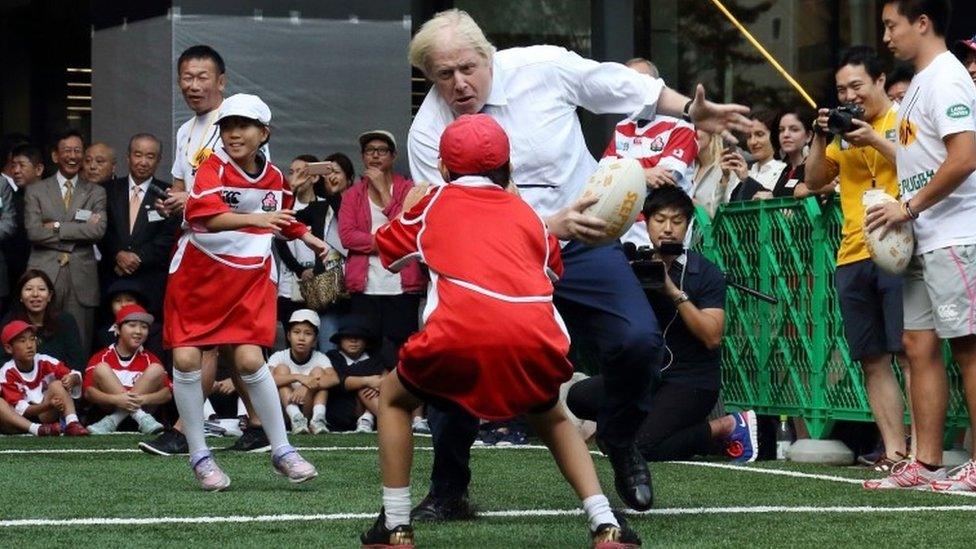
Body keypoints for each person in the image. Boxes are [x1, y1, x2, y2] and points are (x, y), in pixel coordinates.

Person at [405, 8, 750, 518]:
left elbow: (615, 84)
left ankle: (621, 438)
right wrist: (544, 227)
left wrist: (686, 110)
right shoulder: (427, 132)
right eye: (443, 75)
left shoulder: (541, 68)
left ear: (488, 56)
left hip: (584, 244)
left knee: (638, 341)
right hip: (497, 263)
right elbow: (453, 223)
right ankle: (449, 487)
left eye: (468, 68)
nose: (459, 84)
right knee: (455, 359)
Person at [361, 113, 639, 548]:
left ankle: (395, 526)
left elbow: (387, 250)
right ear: (509, 170)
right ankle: (606, 523)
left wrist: (409, 203)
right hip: (536, 337)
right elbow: (552, 269)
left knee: (394, 397)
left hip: (458, 333)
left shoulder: (431, 202)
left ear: (445, 168)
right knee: (551, 416)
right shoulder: (528, 213)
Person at [163, 93, 325, 491]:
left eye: (244, 126)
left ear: (263, 133)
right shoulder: (210, 167)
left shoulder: (272, 177)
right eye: (228, 126)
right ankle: (200, 456)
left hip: (248, 277)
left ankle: (282, 449)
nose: (234, 134)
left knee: (251, 360)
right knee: (186, 359)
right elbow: (205, 215)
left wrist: (309, 237)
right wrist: (258, 218)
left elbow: (282, 217)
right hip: (198, 275)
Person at [864, 0, 976, 491]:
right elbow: (923, 157)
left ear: (922, 23)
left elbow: (965, 158)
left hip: (955, 233)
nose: (886, 36)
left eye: (892, 25)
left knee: (970, 350)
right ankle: (925, 462)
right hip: (923, 236)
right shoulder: (917, 86)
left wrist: (907, 208)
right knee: (917, 345)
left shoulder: (949, 77)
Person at [567, 186, 758, 462]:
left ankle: (726, 426)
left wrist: (672, 291)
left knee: (643, 448)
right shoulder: (633, 264)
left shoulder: (704, 272)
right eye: (660, 220)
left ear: (688, 225)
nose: (668, 229)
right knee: (578, 398)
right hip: (645, 377)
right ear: (646, 222)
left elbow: (712, 336)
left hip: (691, 381)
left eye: (677, 221)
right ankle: (645, 424)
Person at [806, 46, 909, 471]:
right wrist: (820, 133)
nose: (849, 96)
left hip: (901, 249)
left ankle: (922, 455)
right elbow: (813, 180)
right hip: (852, 252)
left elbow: (927, 164)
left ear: (880, 81)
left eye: (857, 86)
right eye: (841, 89)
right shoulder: (842, 133)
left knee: (910, 353)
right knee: (871, 357)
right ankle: (894, 452)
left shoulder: (902, 120)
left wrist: (873, 139)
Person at [338, 130, 425, 366]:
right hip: (365, 287)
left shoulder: (409, 190)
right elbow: (347, 236)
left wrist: (383, 191)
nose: (375, 156)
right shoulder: (353, 195)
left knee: (403, 350)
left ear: (393, 156)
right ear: (363, 156)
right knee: (366, 351)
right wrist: (390, 243)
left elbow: (410, 230)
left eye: (382, 150)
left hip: (402, 287)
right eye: (369, 151)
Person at [24, 129, 107, 354]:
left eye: (77, 151)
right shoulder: (36, 191)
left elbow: (98, 230)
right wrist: (80, 232)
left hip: (81, 277)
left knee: (79, 341)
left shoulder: (96, 192)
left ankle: (76, 387)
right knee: (38, 339)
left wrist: (58, 226)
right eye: (67, 150)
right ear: (55, 156)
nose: (73, 156)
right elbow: (34, 232)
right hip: (44, 273)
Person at [603, 58, 698, 247]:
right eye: (627, 84)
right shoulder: (621, 127)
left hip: (665, 239)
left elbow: (663, 180)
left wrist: (622, 175)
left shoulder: (680, 126)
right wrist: (643, 174)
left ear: (655, 88)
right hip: (621, 234)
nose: (634, 90)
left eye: (640, 83)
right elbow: (603, 178)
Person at [100, 133, 176, 315]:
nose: (143, 162)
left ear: (158, 160)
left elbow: (168, 236)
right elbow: (101, 230)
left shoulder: (168, 194)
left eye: (150, 157)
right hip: (112, 277)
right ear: (128, 157)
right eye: (138, 155)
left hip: (150, 281)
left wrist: (137, 257)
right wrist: (118, 253)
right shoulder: (106, 191)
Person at [84, 304, 171, 435]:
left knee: (156, 369)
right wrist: (116, 399)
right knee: (101, 368)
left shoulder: (151, 359)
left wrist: (143, 399)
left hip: (145, 419)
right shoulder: (101, 357)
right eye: (132, 325)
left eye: (144, 327)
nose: (138, 331)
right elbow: (88, 393)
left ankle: (116, 419)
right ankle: (137, 415)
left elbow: (167, 394)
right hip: (108, 410)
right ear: (117, 329)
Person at [296, 152, 353, 351]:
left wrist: (334, 196)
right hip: (328, 292)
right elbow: (286, 223)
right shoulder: (318, 208)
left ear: (350, 178)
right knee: (328, 349)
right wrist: (296, 186)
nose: (331, 177)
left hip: (357, 289)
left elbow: (344, 219)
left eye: (336, 172)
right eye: (327, 173)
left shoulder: (360, 205)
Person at [0, 320, 88, 435]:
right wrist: (48, 405)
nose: (30, 345)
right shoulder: (6, 372)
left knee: (58, 384)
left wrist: (71, 379)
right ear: (8, 348)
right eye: (22, 341)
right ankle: (37, 429)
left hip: (45, 415)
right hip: (20, 421)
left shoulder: (44, 360)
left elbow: (74, 375)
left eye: (32, 339)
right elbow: (23, 411)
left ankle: (72, 423)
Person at [275, 155, 325, 326]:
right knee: (294, 339)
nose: (295, 177)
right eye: (291, 172)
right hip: (290, 286)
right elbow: (279, 241)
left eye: (300, 172)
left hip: (320, 284)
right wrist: (299, 270)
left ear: (315, 177)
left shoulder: (325, 205)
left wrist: (316, 270)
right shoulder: (285, 206)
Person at [4, 269, 85, 371]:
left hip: (60, 381)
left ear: (50, 296)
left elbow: (77, 362)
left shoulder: (65, 320)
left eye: (41, 289)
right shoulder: (10, 321)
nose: (35, 294)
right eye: (29, 289)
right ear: (20, 296)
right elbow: (3, 361)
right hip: (21, 382)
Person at [269, 309, 333, 435]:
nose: (301, 338)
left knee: (319, 372)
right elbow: (267, 380)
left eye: (308, 334)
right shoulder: (278, 356)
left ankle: (318, 419)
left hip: (308, 410)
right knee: (281, 369)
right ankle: (295, 418)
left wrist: (306, 385)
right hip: (284, 412)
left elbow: (334, 378)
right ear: (288, 336)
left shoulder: (320, 358)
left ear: (315, 340)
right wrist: (297, 377)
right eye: (296, 332)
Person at [320, 316, 387, 433]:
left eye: (358, 337)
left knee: (367, 389)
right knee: (364, 387)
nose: (353, 341)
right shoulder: (332, 357)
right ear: (340, 341)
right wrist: (368, 381)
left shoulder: (376, 359)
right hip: (339, 413)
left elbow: (384, 378)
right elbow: (337, 381)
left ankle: (368, 418)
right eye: (348, 337)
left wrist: (380, 384)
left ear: (366, 341)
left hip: (371, 410)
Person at [3, 144, 45, 296]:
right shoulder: (9, 200)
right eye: (13, 166)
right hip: (11, 274)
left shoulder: (53, 198)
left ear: (38, 169)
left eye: (21, 165)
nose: (16, 171)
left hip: (44, 271)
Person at [722, 109, 787, 201]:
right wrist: (725, 176)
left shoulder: (784, 172)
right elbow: (723, 209)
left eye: (759, 134)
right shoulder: (745, 172)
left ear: (775, 136)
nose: (753, 142)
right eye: (749, 136)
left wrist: (747, 180)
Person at [773, 108, 819, 199]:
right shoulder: (786, 170)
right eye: (781, 130)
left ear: (809, 136)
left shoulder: (815, 168)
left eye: (794, 129)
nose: (785, 135)